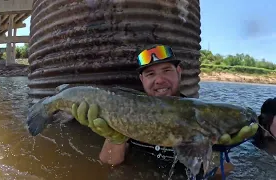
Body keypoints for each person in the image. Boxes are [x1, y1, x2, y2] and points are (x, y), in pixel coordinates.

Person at [71, 44, 276, 179]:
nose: (159, 80)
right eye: (150, 74)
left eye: (166, 70)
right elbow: (109, 163)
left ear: (179, 72)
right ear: (142, 80)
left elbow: (222, 174)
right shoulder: (124, 109)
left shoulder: (200, 112)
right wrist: (115, 137)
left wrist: (214, 152)